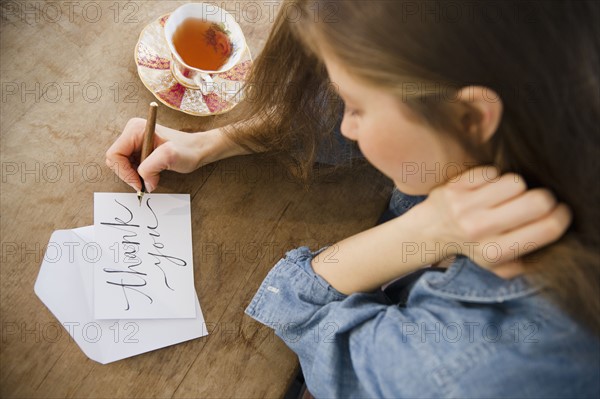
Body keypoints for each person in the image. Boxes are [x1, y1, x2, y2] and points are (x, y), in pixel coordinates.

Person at [106, 0, 599, 396]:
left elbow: (310, 320)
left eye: (357, 107)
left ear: (469, 118)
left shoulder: (474, 370)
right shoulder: (559, 76)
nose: (346, 124)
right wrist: (216, 141)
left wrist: (428, 228)